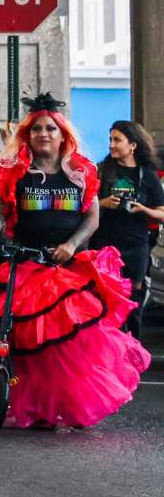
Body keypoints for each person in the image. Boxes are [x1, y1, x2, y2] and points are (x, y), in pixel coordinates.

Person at [0, 93, 149, 428]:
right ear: (28, 134)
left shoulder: (80, 171)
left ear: (62, 135)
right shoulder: (16, 171)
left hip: (67, 267)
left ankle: (69, 403)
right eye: (37, 128)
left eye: (50, 129)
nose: (43, 134)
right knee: (28, 340)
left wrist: (71, 245)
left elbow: (92, 218)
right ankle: (32, 402)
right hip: (26, 262)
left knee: (69, 345)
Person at [90, 120, 164, 339]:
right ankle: (108, 346)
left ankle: (131, 347)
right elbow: (84, 204)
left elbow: (161, 212)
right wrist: (103, 203)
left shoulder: (147, 175)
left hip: (136, 246)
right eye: (110, 140)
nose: (111, 145)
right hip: (105, 244)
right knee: (104, 298)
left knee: (133, 298)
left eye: (117, 140)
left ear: (133, 145)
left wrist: (144, 210)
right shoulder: (101, 170)